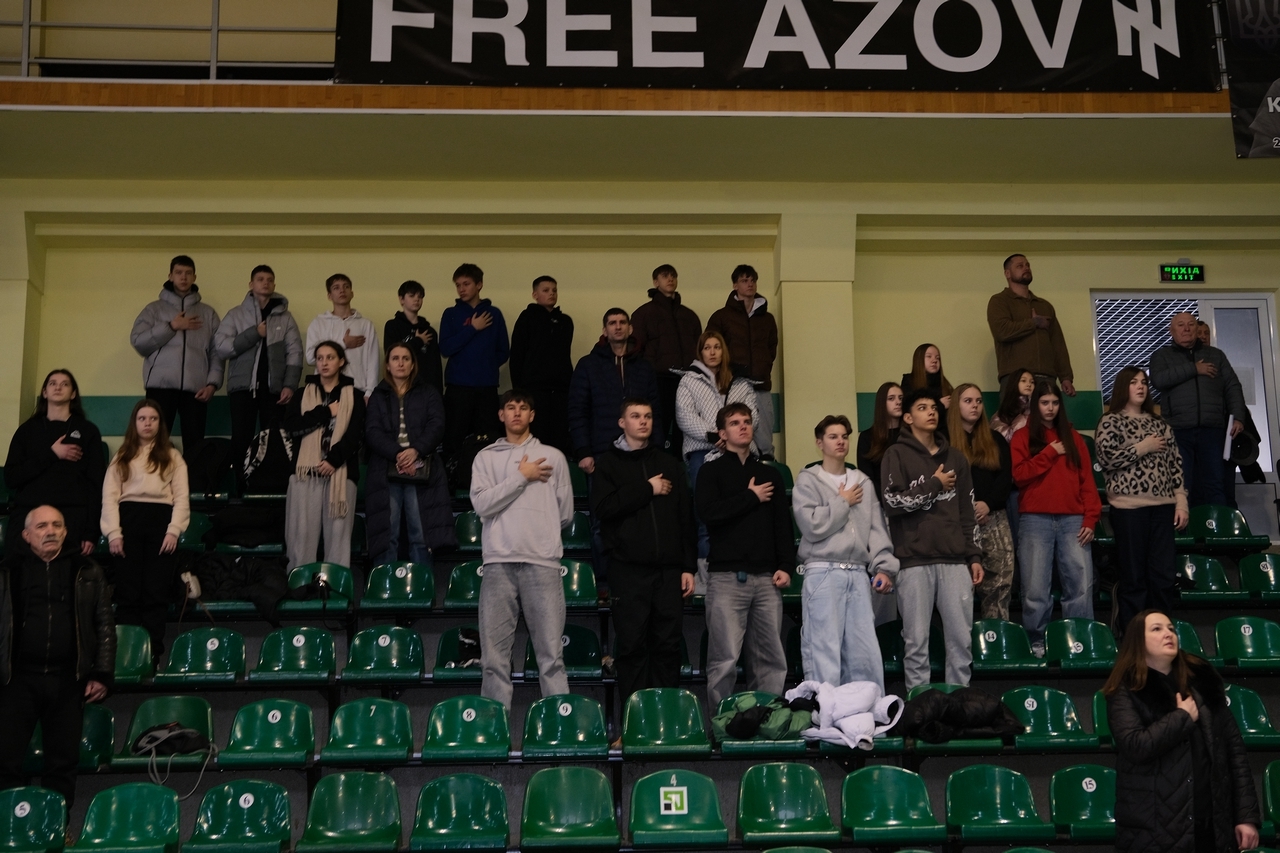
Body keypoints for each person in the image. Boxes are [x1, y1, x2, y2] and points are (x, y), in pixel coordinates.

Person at [1104, 610, 1260, 853]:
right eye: (1157, 629)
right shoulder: (1124, 689)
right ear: (1137, 640)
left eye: (1171, 628)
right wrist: (1182, 718)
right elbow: (1135, 745)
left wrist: (1245, 816)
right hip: (1154, 831)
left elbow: (1234, 751)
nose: (1168, 634)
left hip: (1212, 824)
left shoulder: (1202, 682)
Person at [0, 505, 114, 808]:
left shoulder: (88, 571)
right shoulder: (6, 571)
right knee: (5, 761)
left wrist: (102, 673)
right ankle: (9, 826)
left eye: (57, 525)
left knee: (62, 765)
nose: (50, 531)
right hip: (16, 681)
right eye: (42, 526)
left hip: (67, 681)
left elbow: (104, 624)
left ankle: (58, 826)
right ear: (26, 535)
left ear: (65, 532)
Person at [470, 391, 574, 708]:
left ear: (532, 415)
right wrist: (522, 477)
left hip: (542, 563)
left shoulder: (553, 457)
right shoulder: (485, 457)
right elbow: (482, 505)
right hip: (498, 563)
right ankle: (494, 727)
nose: (517, 412)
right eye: (510, 407)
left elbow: (565, 514)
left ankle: (558, 725)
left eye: (523, 408)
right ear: (501, 415)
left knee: (551, 657)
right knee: (493, 659)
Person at [591, 398, 695, 702]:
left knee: (668, 646)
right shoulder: (608, 464)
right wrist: (647, 488)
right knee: (632, 647)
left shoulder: (669, 463)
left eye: (647, 416)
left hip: (668, 571)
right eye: (635, 416)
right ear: (622, 423)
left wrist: (688, 566)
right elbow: (604, 508)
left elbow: (685, 517)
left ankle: (667, 716)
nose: (643, 421)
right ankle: (634, 719)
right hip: (628, 570)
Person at [881, 389, 983, 690]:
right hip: (913, 562)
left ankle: (960, 704)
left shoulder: (956, 458)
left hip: (955, 561)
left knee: (961, 643)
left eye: (934, 408)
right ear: (908, 417)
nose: (931, 412)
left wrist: (974, 556)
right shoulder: (895, 454)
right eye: (922, 407)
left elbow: (967, 512)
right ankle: (919, 706)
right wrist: (934, 484)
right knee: (916, 644)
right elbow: (892, 503)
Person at [696, 402, 794, 709]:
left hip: (766, 579)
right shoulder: (711, 471)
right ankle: (722, 723)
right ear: (722, 434)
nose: (743, 426)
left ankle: (767, 720)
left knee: (770, 660)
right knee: (724, 659)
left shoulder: (770, 474)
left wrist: (785, 565)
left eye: (747, 421)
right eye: (735, 423)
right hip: (726, 577)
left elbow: (782, 526)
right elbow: (709, 514)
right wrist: (750, 496)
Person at [793, 415, 897, 689]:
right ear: (820, 443)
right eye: (833, 437)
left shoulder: (863, 481)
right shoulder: (808, 480)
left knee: (865, 652)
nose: (840, 441)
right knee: (823, 649)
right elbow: (812, 526)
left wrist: (883, 567)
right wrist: (842, 501)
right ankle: (825, 710)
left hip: (858, 573)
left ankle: (866, 709)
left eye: (844, 436)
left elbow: (876, 530)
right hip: (823, 571)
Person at [568, 308, 662, 585]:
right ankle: (606, 584)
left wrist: (656, 451)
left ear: (630, 328)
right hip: (600, 455)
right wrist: (583, 452)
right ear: (605, 330)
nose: (618, 327)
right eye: (612, 323)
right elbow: (577, 411)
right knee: (601, 523)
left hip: (640, 455)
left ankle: (639, 581)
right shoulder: (588, 365)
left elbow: (656, 411)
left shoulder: (644, 367)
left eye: (622, 322)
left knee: (642, 518)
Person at [1095, 367, 1189, 634]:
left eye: (1144, 382)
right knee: (1134, 579)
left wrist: (1181, 501)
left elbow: (1175, 465)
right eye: (1134, 382)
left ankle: (1162, 635)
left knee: (1163, 578)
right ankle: (1134, 639)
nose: (1140, 387)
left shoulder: (1160, 423)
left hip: (1163, 508)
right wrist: (1143, 446)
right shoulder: (1110, 420)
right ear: (1122, 387)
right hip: (1129, 509)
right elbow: (1107, 459)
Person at [1011, 380, 1101, 656]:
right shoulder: (1022, 437)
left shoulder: (1074, 439)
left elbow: (1087, 482)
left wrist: (1091, 518)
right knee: (1035, 587)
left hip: (1073, 519)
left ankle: (1079, 639)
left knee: (1080, 585)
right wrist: (1049, 453)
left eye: (1054, 402)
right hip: (1035, 519)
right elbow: (1019, 475)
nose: (1050, 408)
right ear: (1035, 405)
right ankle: (1036, 640)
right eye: (1044, 402)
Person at [100, 400, 189, 658]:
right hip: (128, 522)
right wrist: (113, 533)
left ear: (160, 424)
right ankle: (127, 655)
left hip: (161, 525)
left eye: (153, 418)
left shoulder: (173, 457)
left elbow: (182, 498)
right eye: (142, 418)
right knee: (128, 594)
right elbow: (109, 497)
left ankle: (153, 656)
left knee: (155, 594)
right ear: (134, 423)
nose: (147, 423)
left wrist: (174, 530)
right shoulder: (122, 456)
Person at [365, 343, 456, 566]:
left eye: (406, 358)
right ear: (387, 365)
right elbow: (372, 431)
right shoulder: (378, 395)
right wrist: (398, 454)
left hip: (421, 467)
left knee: (421, 535)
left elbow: (437, 425)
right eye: (395, 358)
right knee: (387, 536)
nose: (400, 363)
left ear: (413, 364)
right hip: (385, 469)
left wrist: (415, 450)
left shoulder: (428, 392)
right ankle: (385, 584)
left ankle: (421, 584)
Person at [214, 264, 302, 483]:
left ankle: (270, 486)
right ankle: (240, 488)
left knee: (274, 440)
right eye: (260, 279)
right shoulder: (236, 314)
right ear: (251, 284)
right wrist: (255, 333)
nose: (265, 283)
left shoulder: (285, 318)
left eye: (270, 280)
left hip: (274, 391)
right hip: (243, 388)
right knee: (241, 439)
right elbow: (222, 347)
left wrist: (289, 385)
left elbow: (295, 353)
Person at [675, 330, 759, 560]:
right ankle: (707, 575)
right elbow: (684, 416)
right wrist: (713, 436)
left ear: (724, 351)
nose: (712, 352)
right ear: (700, 352)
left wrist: (730, 436)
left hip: (740, 454)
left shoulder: (741, 382)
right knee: (706, 522)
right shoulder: (689, 380)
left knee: (743, 516)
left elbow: (753, 416)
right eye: (707, 348)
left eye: (717, 347)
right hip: (702, 452)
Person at [1150, 312, 1247, 507]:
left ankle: (1216, 526)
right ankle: (1186, 527)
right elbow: (1158, 380)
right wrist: (1194, 369)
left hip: (1212, 430)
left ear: (1196, 329)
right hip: (1178, 430)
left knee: (1215, 484)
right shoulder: (1162, 356)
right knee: (1182, 485)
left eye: (1191, 324)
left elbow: (1232, 387)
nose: (1186, 328)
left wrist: (1238, 417)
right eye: (1181, 325)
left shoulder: (1216, 355)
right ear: (1171, 330)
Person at [4, 369, 104, 557]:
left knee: (67, 573)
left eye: (65, 384)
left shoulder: (88, 430)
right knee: (20, 571)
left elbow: (95, 484)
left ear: (73, 394)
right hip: (29, 513)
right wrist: (52, 454)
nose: (58, 387)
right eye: (52, 383)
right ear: (44, 392)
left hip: (72, 515)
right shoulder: (27, 430)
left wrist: (91, 532)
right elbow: (11, 477)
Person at [283, 341, 365, 571]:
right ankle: (299, 584)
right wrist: (326, 412)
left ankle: (334, 587)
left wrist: (333, 460)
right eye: (320, 358)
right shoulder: (302, 394)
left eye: (330, 357)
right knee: (301, 536)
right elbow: (291, 428)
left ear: (341, 362)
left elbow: (355, 435)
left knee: (338, 537)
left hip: (341, 471)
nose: (324, 363)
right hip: (305, 472)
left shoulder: (355, 396)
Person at [129, 254, 222, 447]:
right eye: (179, 272)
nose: (183, 277)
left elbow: (216, 352)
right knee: (154, 445)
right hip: (160, 387)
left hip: (196, 390)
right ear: (170, 276)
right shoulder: (154, 310)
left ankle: (192, 470)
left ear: (194, 277)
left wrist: (212, 384)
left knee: (195, 447)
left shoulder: (208, 313)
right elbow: (138, 342)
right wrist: (171, 326)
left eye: (188, 273)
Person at [949, 384, 1015, 621]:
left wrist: (988, 503)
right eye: (968, 401)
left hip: (993, 517)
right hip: (957, 522)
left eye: (978, 401)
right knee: (959, 588)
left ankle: (995, 636)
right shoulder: (944, 441)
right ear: (955, 405)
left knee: (1000, 583)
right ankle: (963, 639)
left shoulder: (995, 439)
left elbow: (1005, 478)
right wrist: (967, 509)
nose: (975, 406)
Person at [706, 264, 779, 457]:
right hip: (733, 385)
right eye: (744, 280)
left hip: (761, 385)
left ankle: (766, 466)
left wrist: (763, 366)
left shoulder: (767, 319)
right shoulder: (721, 317)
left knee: (764, 440)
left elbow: (771, 349)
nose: (750, 284)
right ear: (735, 285)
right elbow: (711, 347)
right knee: (735, 435)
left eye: (753, 280)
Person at [439, 263, 510, 457]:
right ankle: (453, 473)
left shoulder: (493, 314)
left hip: (486, 387)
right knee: (454, 438)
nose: (461, 289)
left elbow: (503, 351)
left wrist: (486, 365)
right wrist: (473, 328)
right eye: (458, 285)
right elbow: (445, 348)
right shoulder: (451, 314)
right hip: (458, 387)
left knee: (488, 439)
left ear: (479, 285)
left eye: (466, 284)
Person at [631, 263, 702, 452]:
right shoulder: (644, 313)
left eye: (673, 276)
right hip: (658, 380)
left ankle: (680, 465)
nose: (670, 279)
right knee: (657, 429)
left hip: (687, 380)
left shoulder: (689, 316)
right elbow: (635, 350)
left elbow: (699, 350)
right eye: (665, 276)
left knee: (684, 428)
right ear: (656, 282)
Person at [987, 254, 1075, 395]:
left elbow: (1057, 343)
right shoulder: (999, 301)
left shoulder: (1044, 306)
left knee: (1048, 410)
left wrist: (1065, 377)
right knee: (1015, 411)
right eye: (1020, 266)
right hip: (1014, 378)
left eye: (1027, 265)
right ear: (1007, 273)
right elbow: (1001, 331)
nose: (1026, 268)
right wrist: (1033, 323)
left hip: (1047, 377)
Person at [509, 275, 574, 455]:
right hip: (534, 389)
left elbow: (564, 355)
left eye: (554, 290)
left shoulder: (565, 322)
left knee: (559, 437)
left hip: (560, 390)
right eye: (546, 290)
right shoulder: (527, 319)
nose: (551, 294)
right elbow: (517, 356)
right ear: (535, 294)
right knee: (536, 436)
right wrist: (519, 391)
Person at [305, 274, 380, 401]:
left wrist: (370, 392)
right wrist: (343, 344)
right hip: (325, 390)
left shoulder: (365, 325)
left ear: (352, 293)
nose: (342, 290)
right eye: (336, 288)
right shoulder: (318, 323)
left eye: (346, 287)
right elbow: (310, 358)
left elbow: (373, 362)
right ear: (329, 295)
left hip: (357, 389)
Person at [990, 366, 1034, 542]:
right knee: (1016, 535)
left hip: (1033, 478)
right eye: (1024, 381)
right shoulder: (1000, 415)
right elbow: (1002, 441)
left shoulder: (1039, 412)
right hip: (1010, 480)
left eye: (1032, 382)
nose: (1029, 384)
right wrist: (1023, 417)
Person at [384, 280, 444, 394]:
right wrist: (418, 341)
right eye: (412, 296)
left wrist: (438, 394)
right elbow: (391, 354)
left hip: (426, 389)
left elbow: (435, 367)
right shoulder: (392, 326)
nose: (416, 299)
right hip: (400, 387)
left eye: (420, 297)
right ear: (401, 299)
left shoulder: (429, 331)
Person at [855, 381, 903, 499]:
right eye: (891, 398)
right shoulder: (867, 437)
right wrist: (888, 500)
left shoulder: (911, 434)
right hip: (879, 501)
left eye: (901, 398)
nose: (898, 402)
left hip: (911, 499)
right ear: (881, 403)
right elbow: (866, 477)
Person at [901, 343, 953, 439]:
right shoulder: (910, 382)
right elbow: (909, 411)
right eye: (929, 357)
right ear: (919, 360)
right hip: (918, 437)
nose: (934, 360)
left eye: (937, 358)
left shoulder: (945, 384)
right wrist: (940, 406)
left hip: (945, 436)